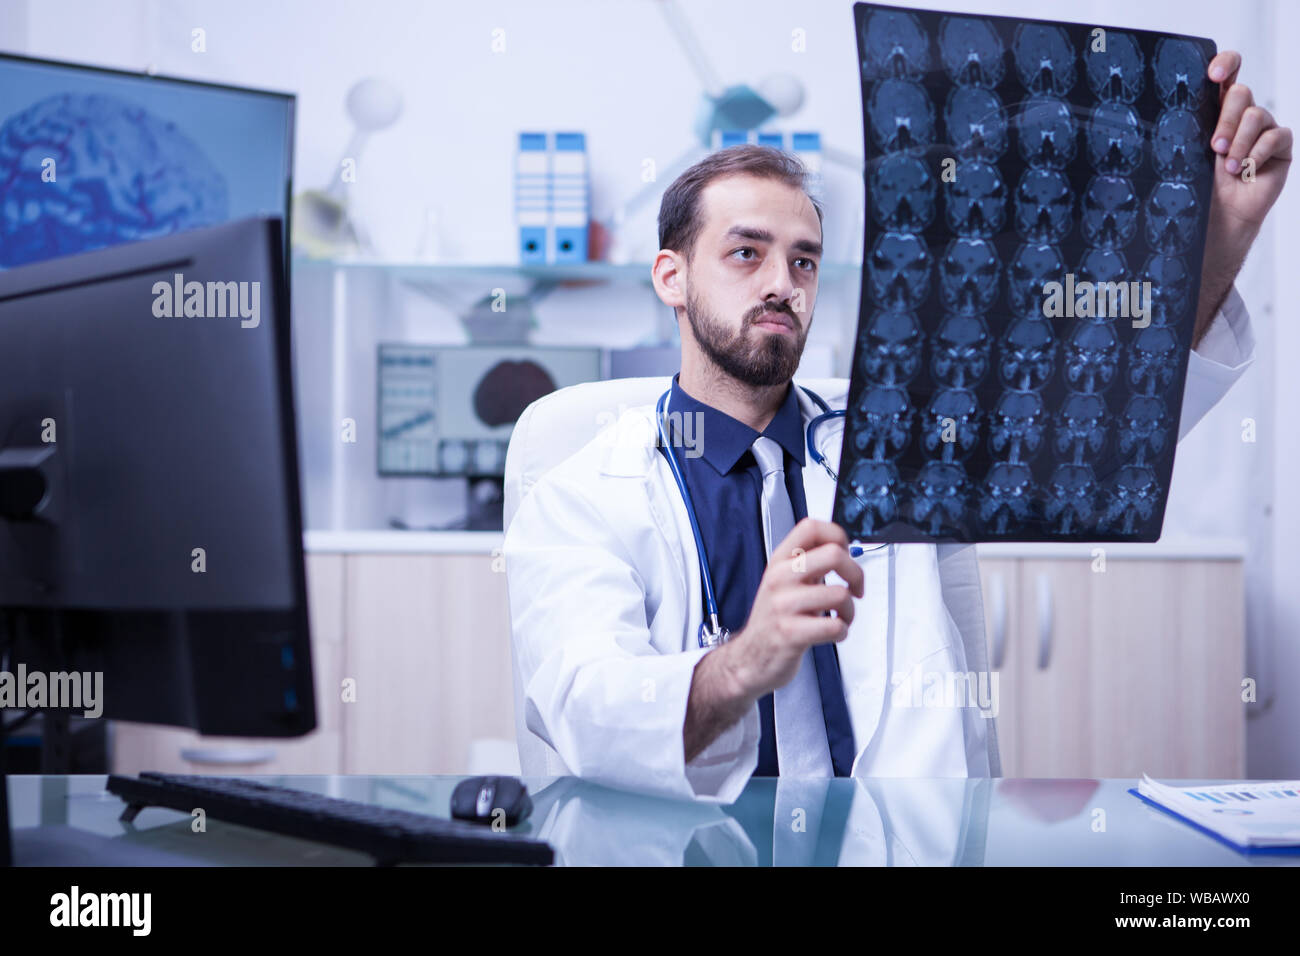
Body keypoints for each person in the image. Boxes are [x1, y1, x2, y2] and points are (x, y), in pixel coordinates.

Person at [503, 50, 1290, 802]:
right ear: (671, 278)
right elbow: (582, 708)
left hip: (906, 845)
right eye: (747, 253)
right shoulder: (581, 494)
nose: (782, 284)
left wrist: (1220, 241)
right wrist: (748, 661)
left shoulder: (903, 430)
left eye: (804, 261)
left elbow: (1100, 431)